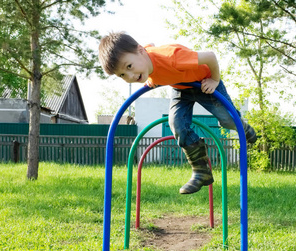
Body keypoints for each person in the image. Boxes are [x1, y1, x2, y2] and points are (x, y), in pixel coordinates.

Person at [98, 32, 257, 194]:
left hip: (204, 82)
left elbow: (210, 56)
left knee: (228, 120)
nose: (130, 76)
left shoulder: (173, 57)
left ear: (140, 51)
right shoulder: (142, 57)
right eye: (122, 75)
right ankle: (201, 171)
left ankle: (243, 127)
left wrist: (215, 80)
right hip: (180, 87)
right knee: (176, 125)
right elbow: (150, 44)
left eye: (129, 66)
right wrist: (150, 75)